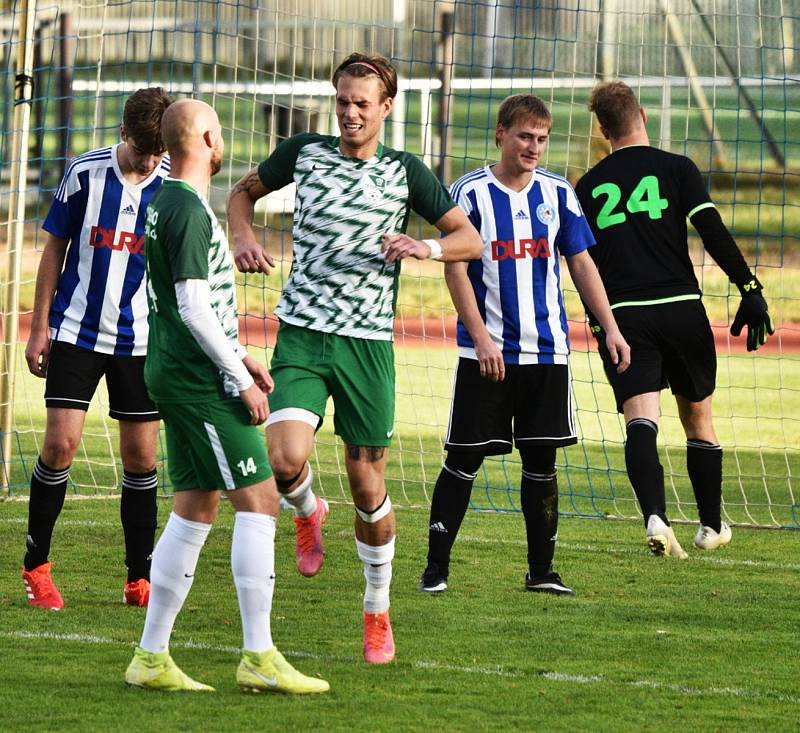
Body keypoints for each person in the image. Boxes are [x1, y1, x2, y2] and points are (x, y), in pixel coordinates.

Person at [227, 52, 482, 663]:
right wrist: (242, 234)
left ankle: (376, 610)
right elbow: (242, 192)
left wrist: (422, 244)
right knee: (283, 457)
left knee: (370, 488)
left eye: (362, 104)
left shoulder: (405, 171)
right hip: (304, 335)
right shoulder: (304, 153)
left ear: (386, 108)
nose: (349, 113)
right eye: (342, 101)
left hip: (367, 346)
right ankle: (309, 509)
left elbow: (468, 238)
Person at [124, 99, 328, 694]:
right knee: (262, 500)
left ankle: (152, 656)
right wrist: (234, 376)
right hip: (197, 380)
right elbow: (191, 305)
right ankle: (259, 656)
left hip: (176, 368)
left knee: (194, 506)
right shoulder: (185, 209)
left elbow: (189, 302)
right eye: (219, 132)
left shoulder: (164, 202)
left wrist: (240, 355)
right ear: (208, 138)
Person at [418, 94, 630, 596]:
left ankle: (542, 572)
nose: (533, 147)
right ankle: (435, 569)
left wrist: (611, 327)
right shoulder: (469, 194)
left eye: (542, 139)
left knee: (542, 463)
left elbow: (581, 265)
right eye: (524, 137)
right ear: (500, 134)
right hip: (485, 355)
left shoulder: (559, 193)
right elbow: (455, 270)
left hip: (546, 353)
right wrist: (482, 337)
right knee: (463, 458)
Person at [575, 80, 774, 558]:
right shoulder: (676, 168)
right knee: (698, 418)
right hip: (682, 309)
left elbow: (584, 264)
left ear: (603, 130)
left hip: (625, 316)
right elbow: (712, 231)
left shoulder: (586, 186)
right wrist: (750, 289)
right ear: (642, 114)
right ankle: (709, 526)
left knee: (640, 419)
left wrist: (602, 328)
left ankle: (656, 518)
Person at [22, 87, 173, 610]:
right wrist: (38, 327)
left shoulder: (174, 183)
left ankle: (139, 579)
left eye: (160, 152)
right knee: (60, 446)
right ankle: (36, 567)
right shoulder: (84, 173)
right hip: (75, 330)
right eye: (143, 150)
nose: (151, 161)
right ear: (123, 133)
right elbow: (53, 249)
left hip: (142, 340)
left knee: (141, 457)